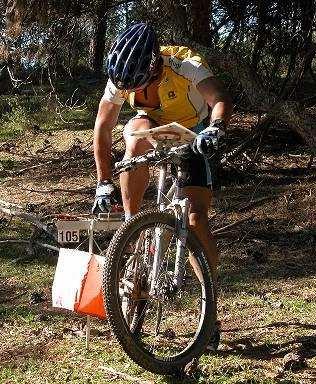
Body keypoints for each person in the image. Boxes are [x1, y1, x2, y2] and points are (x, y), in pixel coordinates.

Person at [92, 22, 232, 350]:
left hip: (193, 132)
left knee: (196, 221)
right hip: (152, 126)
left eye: (138, 82)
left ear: (154, 64)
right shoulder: (121, 74)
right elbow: (103, 123)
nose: (131, 88)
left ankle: (209, 308)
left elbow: (220, 97)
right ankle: (134, 225)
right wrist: (102, 182)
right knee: (135, 134)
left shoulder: (184, 63)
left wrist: (216, 128)